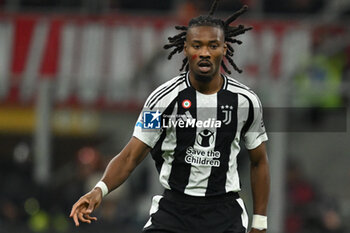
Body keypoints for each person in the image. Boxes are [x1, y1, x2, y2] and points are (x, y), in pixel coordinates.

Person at [70, 2, 270, 233]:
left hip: (224, 214)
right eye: (197, 45)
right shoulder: (162, 99)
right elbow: (131, 156)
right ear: (185, 49)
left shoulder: (245, 101)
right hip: (174, 211)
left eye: (213, 46)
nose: (204, 53)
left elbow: (259, 161)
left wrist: (260, 222)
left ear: (224, 49)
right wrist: (99, 190)